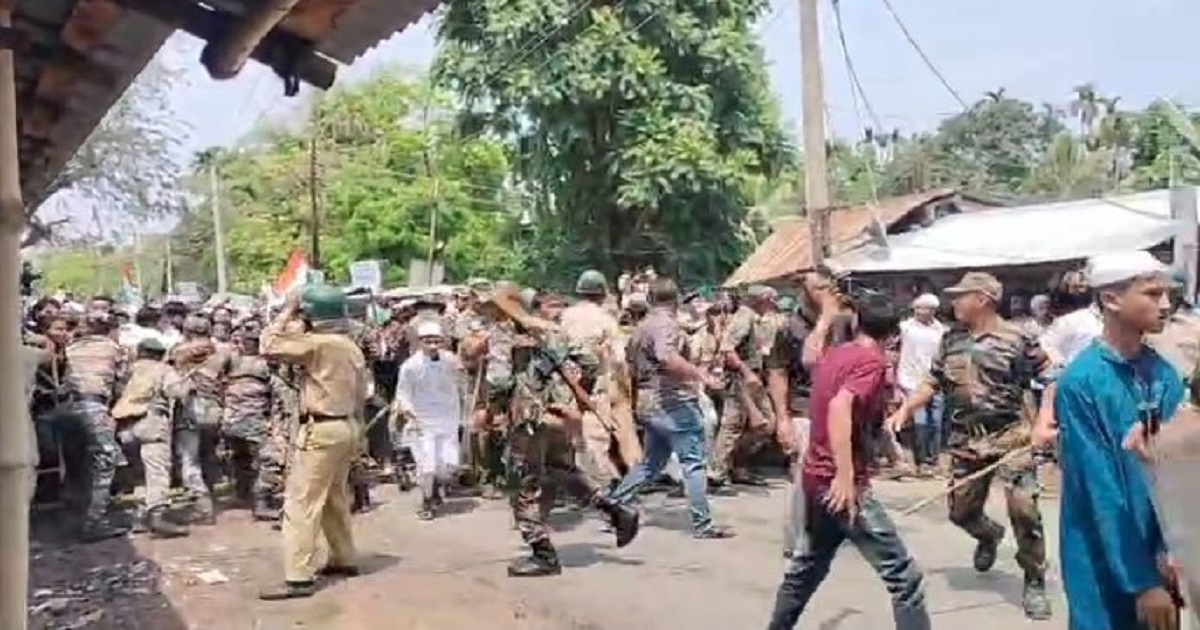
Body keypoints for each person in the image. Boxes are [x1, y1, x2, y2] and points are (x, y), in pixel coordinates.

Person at [886, 271, 1051, 620]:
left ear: (982, 299)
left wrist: (1043, 423)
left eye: (961, 296)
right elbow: (933, 380)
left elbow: (1050, 378)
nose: (954, 302)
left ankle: (1034, 578)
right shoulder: (952, 338)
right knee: (961, 513)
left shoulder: (1018, 338)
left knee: (1025, 510)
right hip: (965, 439)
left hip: (1011, 436)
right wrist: (907, 408)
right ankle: (988, 535)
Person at [767, 292, 929, 630]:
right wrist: (845, 476)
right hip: (839, 483)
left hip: (816, 476)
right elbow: (840, 407)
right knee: (904, 576)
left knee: (808, 566)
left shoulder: (836, 354)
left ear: (856, 323)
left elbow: (811, 357)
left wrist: (825, 317)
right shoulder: (871, 362)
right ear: (894, 335)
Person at [1055, 252, 1185, 630]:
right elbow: (1101, 487)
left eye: (1167, 294)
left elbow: (1176, 474)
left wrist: (1171, 549)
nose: (1165, 305)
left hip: (1162, 549)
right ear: (1111, 299)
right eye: (1152, 294)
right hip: (1102, 554)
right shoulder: (1081, 382)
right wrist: (1141, 582)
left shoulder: (1164, 375)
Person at [258, 285, 368, 600]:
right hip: (346, 426)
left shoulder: (318, 344)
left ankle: (298, 576)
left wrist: (287, 311)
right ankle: (344, 556)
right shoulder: (349, 346)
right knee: (334, 497)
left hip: (321, 428)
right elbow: (361, 393)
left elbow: (268, 345)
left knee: (301, 502)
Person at [606, 277, 734, 539]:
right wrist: (701, 376)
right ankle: (703, 524)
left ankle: (615, 504)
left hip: (647, 400)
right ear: (676, 299)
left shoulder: (641, 327)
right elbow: (667, 357)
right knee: (694, 463)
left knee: (651, 464)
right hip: (672, 401)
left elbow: (631, 364)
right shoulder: (666, 325)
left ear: (650, 299)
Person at [112, 337, 191, 538]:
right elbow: (176, 392)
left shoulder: (128, 370)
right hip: (151, 422)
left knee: (139, 475)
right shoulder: (163, 370)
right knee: (157, 471)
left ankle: (140, 518)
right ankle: (158, 515)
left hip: (124, 425)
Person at [393, 321, 464, 520]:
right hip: (422, 420)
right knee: (427, 465)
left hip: (448, 418)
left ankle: (436, 490)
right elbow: (403, 393)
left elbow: (461, 381)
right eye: (428, 341)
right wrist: (408, 411)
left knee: (447, 466)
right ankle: (427, 501)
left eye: (436, 341)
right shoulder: (410, 367)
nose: (433, 346)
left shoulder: (450, 361)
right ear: (420, 342)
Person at [896, 294, 947, 475]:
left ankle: (933, 460)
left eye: (926, 309)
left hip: (936, 380)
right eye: (919, 308)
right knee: (920, 421)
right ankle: (921, 460)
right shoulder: (905, 328)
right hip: (911, 379)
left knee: (936, 422)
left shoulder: (941, 330)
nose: (922, 312)